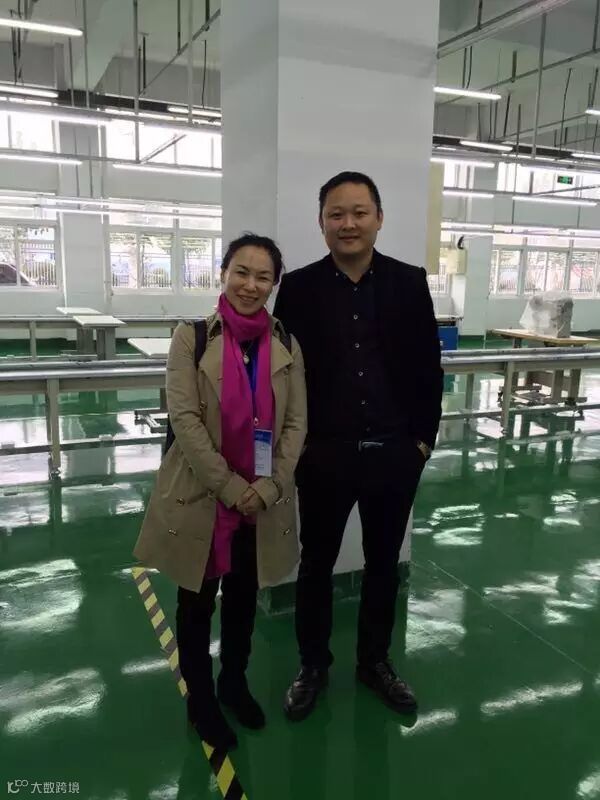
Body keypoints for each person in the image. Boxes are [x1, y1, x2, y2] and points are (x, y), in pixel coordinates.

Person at [274, 171, 443, 721]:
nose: (348, 223)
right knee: (316, 563)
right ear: (321, 222)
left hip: (394, 452)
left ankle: (374, 662)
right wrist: (298, 448)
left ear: (379, 218)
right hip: (325, 455)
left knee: (382, 565)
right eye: (336, 214)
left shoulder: (408, 282)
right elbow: (283, 374)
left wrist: (421, 443)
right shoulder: (299, 288)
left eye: (359, 212)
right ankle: (313, 667)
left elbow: (428, 367)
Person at [134, 233, 307, 751]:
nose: (250, 285)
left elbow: (295, 424)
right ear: (224, 273)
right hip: (204, 496)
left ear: (274, 285)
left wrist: (270, 485)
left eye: (263, 277)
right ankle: (201, 700)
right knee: (196, 603)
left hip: (260, 501)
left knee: (243, 599)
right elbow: (185, 423)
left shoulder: (287, 344)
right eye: (241, 272)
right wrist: (232, 488)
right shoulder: (191, 339)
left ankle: (233, 681)